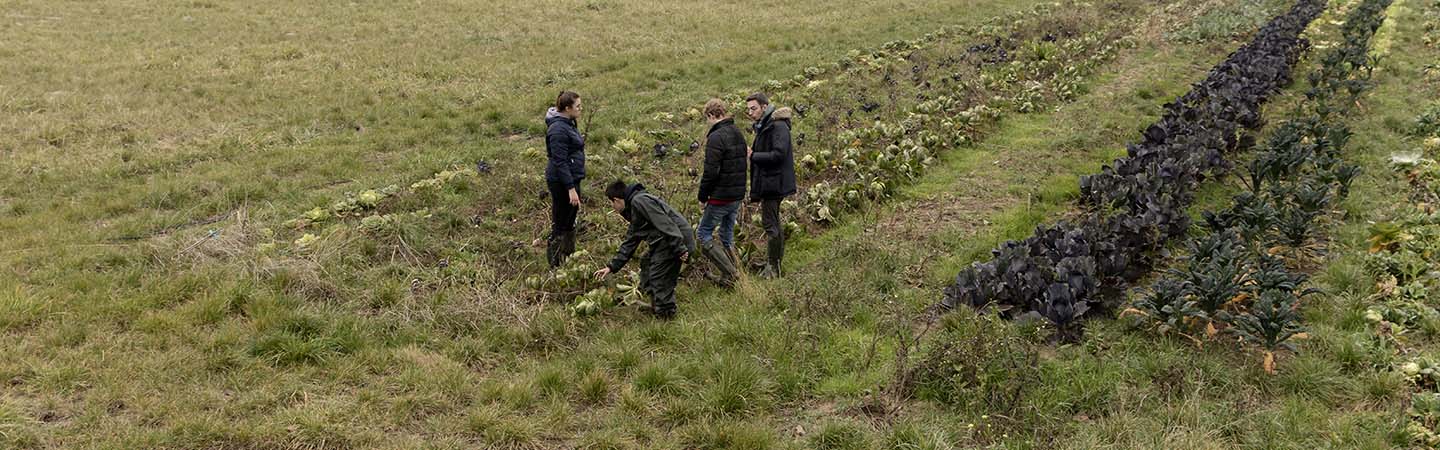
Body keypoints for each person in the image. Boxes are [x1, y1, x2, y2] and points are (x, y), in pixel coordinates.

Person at [593, 180, 696, 319]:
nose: (613, 207)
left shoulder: (639, 201)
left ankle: (666, 316)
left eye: (612, 203)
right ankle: (657, 306)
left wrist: (680, 248)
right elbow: (630, 241)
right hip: (668, 240)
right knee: (646, 262)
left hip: (675, 239)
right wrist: (611, 267)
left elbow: (665, 223)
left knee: (659, 276)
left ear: (617, 200)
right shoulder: (634, 206)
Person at [745, 93, 796, 278]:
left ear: (765, 106)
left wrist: (753, 156)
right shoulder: (765, 126)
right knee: (773, 222)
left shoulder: (778, 126)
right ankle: (774, 263)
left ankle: (773, 268)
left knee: (770, 223)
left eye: (754, 108)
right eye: (748, 109)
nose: (750, 113)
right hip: (770, 181)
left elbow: (778, 155)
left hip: (774, 183)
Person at [696, 98, 747, 284]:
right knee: (726, 235)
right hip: (737, 194)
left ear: (711, 115)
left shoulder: (716, 137)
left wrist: (702, 197)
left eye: (707, 118)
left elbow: (710, 172)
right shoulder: (737, 132)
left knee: (703, 234)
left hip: (720, 196)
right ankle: (736, 273)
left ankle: (731, 273)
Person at [545, 91, 585, 267]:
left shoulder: (568, 122)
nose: (580, 109)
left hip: (572, 178)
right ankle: (555, 264)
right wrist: (570, 188)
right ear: (567, 108)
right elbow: (559, 161)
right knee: (560, 222)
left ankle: (569, 256)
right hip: (561, 182)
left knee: (570, 218)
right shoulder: (558, 130)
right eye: (577, 106)